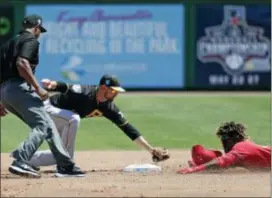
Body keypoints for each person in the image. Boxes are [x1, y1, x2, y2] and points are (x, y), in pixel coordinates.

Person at [0, 14, 85, 178]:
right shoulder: (30, 40)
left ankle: (65, 166)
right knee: (43, 126)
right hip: (18, 88)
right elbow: (22, 63)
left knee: (47, 124)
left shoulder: (8, 44)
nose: (40, 33)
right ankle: (21, 161)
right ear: (36, 28)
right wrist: (38, 88)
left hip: (5, 92)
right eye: (40, 30)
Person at [27, 74, 170, 167]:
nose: (116, 94)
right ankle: (65, 165)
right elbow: (65, 87)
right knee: (74, 120)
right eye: (113, 90)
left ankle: (26, 159)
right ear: (103, 87)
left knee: (60, 155)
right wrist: (52, 84)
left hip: (63, 119)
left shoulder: (109, 107)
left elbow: (128, 129)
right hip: (50, 110)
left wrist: (151, 150)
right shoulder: (85, 92)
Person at [177, 121, 271, 174]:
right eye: (222, 140)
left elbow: (219, 162)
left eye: (226, 140)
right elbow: (224, 165)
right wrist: (200, 167)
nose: (224, 144)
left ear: (237, 137)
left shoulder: (241, 146)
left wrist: (194, 169)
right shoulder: (243, 149)